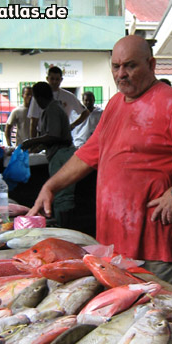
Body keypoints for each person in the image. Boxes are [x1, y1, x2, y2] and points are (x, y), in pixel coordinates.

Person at [28, 35, 172, 289]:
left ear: (151, 65)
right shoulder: (115, 104)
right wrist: (51, 186)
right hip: (117, 245)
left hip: (159, 245)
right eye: (116, 67)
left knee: (167, 316)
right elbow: (88, 154)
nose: (121, 74)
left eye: (130, 65)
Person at [21, 82, 76, 228]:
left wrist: (31, 141)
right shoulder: (52, 108)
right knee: (60, 196)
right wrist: (38, 145)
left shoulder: (52, 109)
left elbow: (54, 135)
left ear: (38, 98)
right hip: (58, 154)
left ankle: (65, 231)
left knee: (62, 196)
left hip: (62, 155)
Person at [70, 91, 103, 237]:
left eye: (90, 99)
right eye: (85, 99)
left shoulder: (99, 113)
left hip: (96, 152)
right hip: (79, 148)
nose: (88, 101)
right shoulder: (77, 113)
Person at [28, 65, 89, 138]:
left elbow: (85, 112)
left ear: (61, 79)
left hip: (62, 135)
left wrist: (72, 125)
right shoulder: (39, 96)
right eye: (52, 79)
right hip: (43, 134)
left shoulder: (69, 96)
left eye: (57, 79)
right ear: (47, 79)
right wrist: (32, 143)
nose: (54, 82)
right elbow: (33, 122)